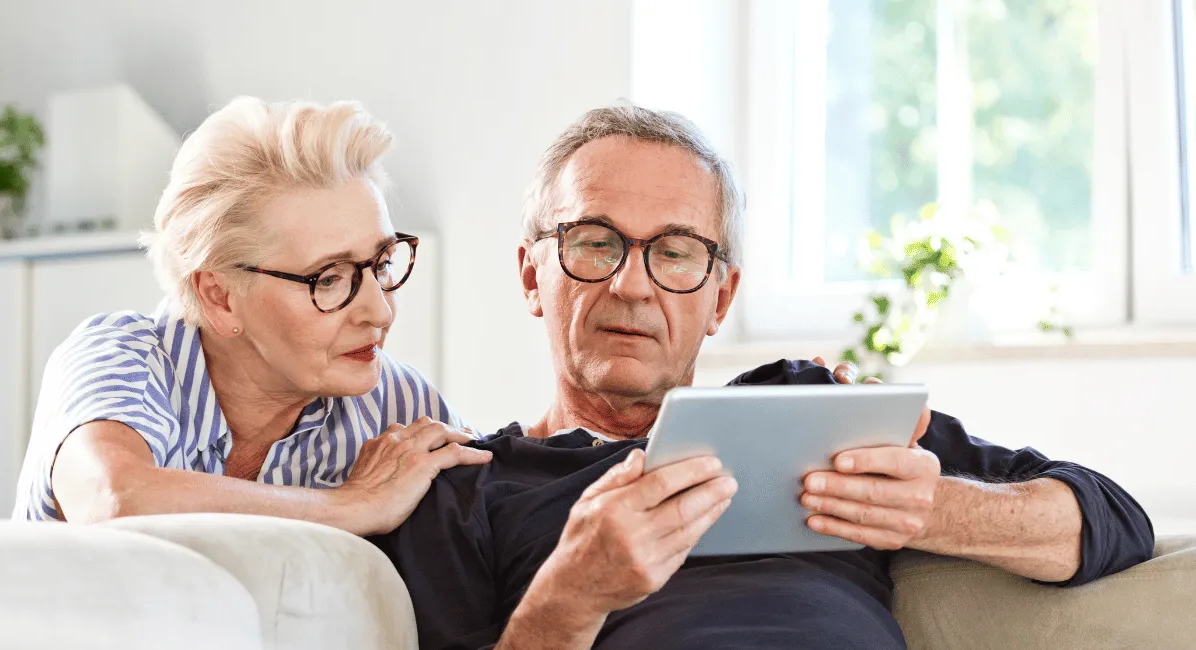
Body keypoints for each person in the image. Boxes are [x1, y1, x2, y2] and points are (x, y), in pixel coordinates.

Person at [368, 105, 1154, 649]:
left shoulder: (813, 409)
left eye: (675, 251)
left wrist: (934, 509)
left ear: (722, 297)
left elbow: (1115, 521)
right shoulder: (466, 485)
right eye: (595, 241)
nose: (632, 286)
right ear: (533, 277)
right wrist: (570, 596)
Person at [11, 97, 493, 536]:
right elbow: (115, 500)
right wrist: (350, 507)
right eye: (328, 279)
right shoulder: (120, 358)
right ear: (220, 297)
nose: (379, 310)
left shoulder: (397, 404)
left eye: (383, 264)